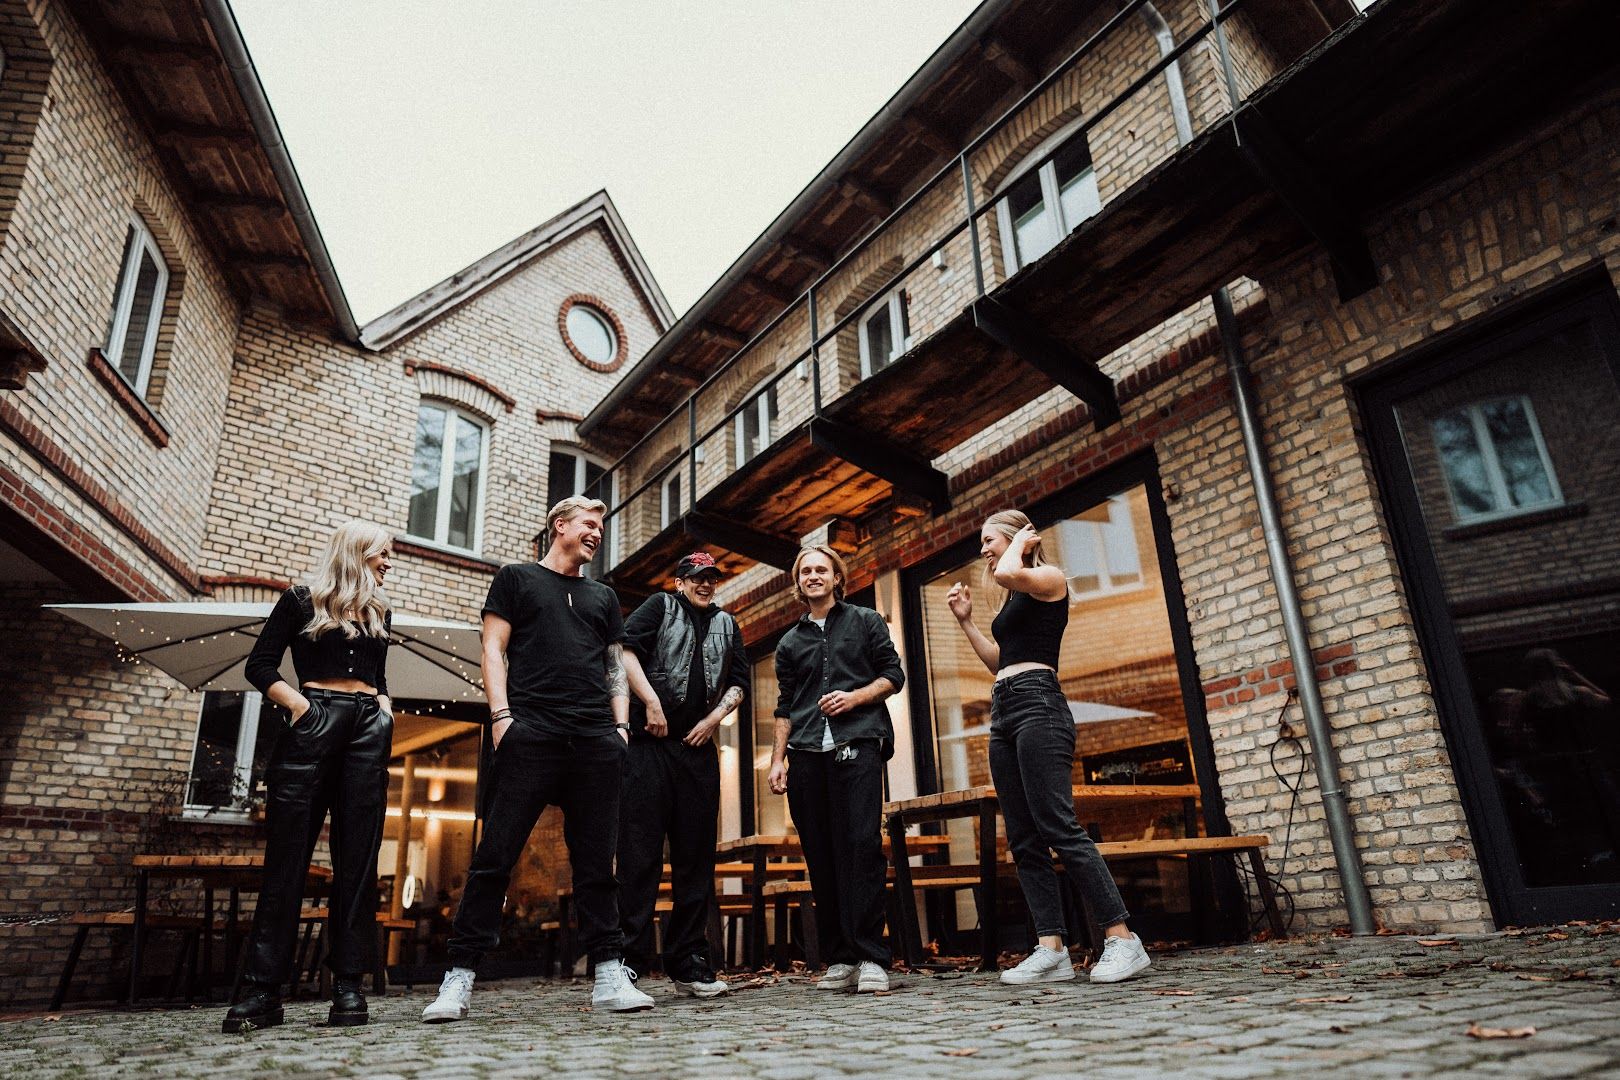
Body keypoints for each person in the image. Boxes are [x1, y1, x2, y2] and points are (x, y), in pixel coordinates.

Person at [422, 496, 661, 1020]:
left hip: (595, 738)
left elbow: (613, 664)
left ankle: (608, 975)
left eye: (601, 527)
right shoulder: (516, 579)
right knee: (494, 859)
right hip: (532, 733)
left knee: (598, 866)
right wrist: (502, 718)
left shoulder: (603, 596)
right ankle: (457, 980)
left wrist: (620, 726)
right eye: (589, 525)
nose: (597, 533)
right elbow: (492, 649)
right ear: (559, 526)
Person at [946, 509, 1150, 985]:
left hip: (1040, 705)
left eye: (989, 539)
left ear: (1019, 539)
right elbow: (1002, 661)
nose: (983, 550)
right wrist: (967, 622)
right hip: (1006, 707)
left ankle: (1123, 938)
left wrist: (1018, 546)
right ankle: (1052, 948)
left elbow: (1009, 571)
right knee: (1022, 836)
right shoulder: (1016, 595)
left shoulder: (1048, 578)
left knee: (1059, 825)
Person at [225, 521, 396, 1032]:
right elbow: (260, 666)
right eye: (383, 554)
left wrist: (383, 707)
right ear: (357, 552)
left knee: (358, 861)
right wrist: (302, 705)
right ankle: (262, 992)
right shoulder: (301, 600)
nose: (389, 563)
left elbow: (379, 675)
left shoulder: (380, 610)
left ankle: (347, 987)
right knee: (288, 859)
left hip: (368, 726)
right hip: (313, 720)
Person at [767, 545, 903, 994]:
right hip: (806, 753)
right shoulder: (789, 643)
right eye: (805, 571)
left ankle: (871, 958)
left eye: (821, 569)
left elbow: (893, 675)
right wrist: (776, 760)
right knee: (820, 855)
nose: (813, 576)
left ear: (837, 578)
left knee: (862, 847)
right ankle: (840, 958)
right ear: (798, 582)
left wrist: (855, 697)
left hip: (859, 742)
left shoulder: (865, 621)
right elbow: (785, 705)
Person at [617, 552, 747, 998]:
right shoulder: (659, 606)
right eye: (697, 578)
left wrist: (713, 721)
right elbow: (623, 651)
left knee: (696, 860)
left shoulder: (728, 624)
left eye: (712, 578)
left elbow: (739, 683)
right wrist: (651, 703)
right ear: (680, 581)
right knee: (640, 857)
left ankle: (689, 962)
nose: (706, 584)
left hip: (697, 751)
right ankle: (628, 963)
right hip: (649, 746)